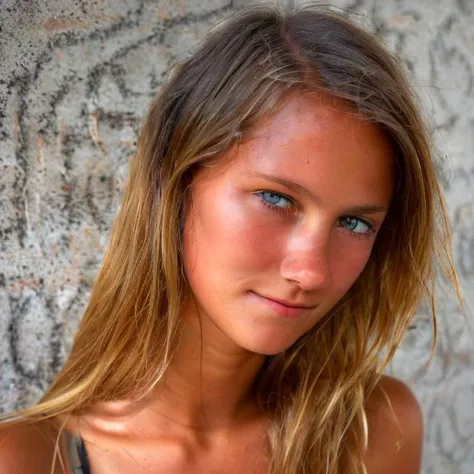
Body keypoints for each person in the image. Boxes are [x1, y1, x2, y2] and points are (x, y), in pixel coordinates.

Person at [0, 3, 462, 474]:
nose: (311, 271)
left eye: (355, 224)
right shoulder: (29, 459)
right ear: (176, 183)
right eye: (276, 199)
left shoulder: (372, 431)